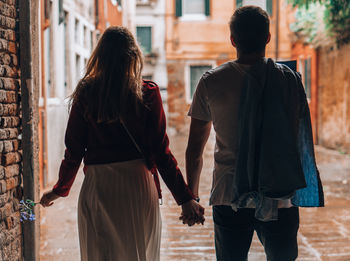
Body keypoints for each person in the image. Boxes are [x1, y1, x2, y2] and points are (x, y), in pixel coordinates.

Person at [40, 26, 204, 261]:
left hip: (99, 186)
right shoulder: (147, 93)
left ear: (100, 57)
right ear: (133, 56)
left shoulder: (85, 93)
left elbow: (73, 151)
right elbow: (161, 152)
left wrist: (59, 190)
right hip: (136, 185)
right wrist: (185, 198)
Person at [185, 6, 324, 261]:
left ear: (233, 40)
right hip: (280, 194)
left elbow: (195, 149)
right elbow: (299, 138)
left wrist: (191, 197)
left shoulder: (211, 81)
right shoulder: (290, 80)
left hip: (229, 195)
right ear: (268, 38)